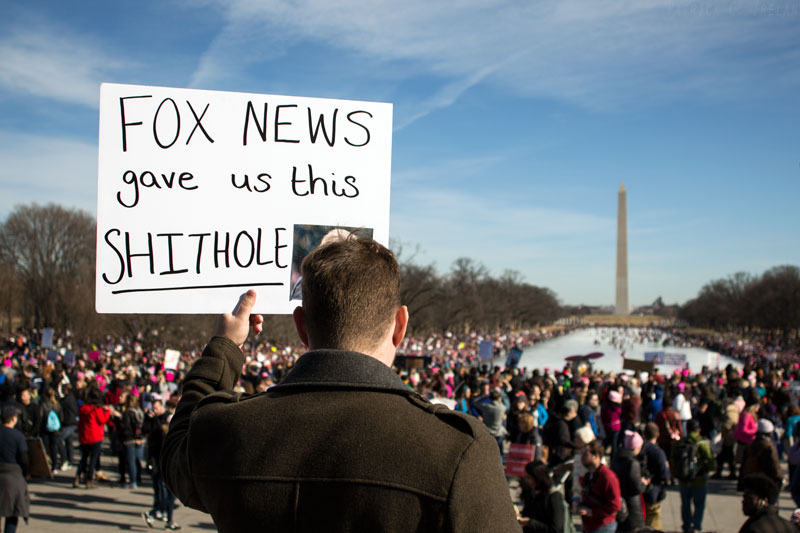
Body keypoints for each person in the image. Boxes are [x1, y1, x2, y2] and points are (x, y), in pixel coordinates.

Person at [161, 235, 521, 532]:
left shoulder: (229, 430)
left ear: (301, 325)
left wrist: (225, 348)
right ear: (400, 325)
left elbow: (176, 453)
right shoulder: (456, 449)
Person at [672, 419, 715, 533]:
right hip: (699, 479)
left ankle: (686, 526)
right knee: (699, 504)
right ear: (699, 430)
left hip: (683, 479)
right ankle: (696, 526)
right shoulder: (702, 443)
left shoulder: (680, 443)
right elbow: (711, 463)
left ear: (686, 429)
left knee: (685, 504)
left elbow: (673, 459)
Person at [74, 387, 116, 489]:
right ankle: (89, 479)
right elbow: (102, 420)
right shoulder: (96, 409)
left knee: (83, 458)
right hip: (95, 436)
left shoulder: (82, 408)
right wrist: (107, 412)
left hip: (84, 435)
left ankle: (77, 476)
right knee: (93, 459)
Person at [577, 439, 621, 533]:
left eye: (586, 454)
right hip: (591, 525)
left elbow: (615, 506)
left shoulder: (608, 477)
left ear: (596, 456)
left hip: (603, 526)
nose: (582, 458)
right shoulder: (589, 475)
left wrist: (591, 512)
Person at [610, 430, 647, 532]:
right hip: (632, 504)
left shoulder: (617, 457)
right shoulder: (632, 463)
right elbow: (637, 487)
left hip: (620, 502)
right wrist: (644, 483)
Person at [0, 406, 29, 533]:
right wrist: (27, 473)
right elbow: (23, 458)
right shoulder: (17, 436)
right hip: (12, 476)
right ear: (13, 418)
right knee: (12, 512)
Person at [518, 461, 566, 533]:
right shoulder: (532, 493)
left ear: (538, 478)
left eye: (529, 478)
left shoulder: (554, 496)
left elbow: (556, 529)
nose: (526, 480)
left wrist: (530, 523)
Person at [739, 419, 783, 490]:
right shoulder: (769, 446)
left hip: (751, 477)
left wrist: (741, 483)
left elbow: (743, 465)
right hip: (766, 479)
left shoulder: (750, 445)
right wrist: (780, 478)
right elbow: (775, 464)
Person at [641, 422, 670, 530]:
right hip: (654, 491)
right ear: (658, 435)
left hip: (641, 490)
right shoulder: (658, 452)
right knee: (653, 521)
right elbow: (664, 475)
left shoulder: (640, 449)